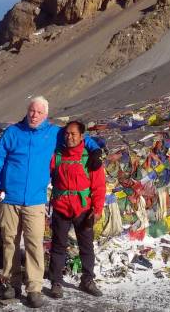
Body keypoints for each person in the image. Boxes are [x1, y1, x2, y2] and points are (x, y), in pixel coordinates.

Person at [0, 96, 102, 308]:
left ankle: (34, 288)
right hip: (9, 198)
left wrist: (95, 150)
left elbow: (78, 136)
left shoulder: (54, 133)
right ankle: (11, 283)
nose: (34, 115)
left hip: (36, 200)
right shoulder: (12, 132)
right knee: (10, 241)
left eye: (39, 112)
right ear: (27, 111)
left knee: (34, 244)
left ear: (46, 115)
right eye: (32, 111)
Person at [47, 121, 105, 299]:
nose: (69, 137)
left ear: (81, 136)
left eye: (73, 134)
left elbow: (99, 185)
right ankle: (56, 282)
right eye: (67, 134)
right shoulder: (57, 156)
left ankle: (87, 280)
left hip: (83, 208)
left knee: (86, 246)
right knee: (58, 246)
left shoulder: (90, 158)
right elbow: (42, 175)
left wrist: (97, 209)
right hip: (61, 207)